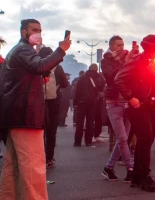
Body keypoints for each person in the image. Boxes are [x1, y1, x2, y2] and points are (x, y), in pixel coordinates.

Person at [0, 19, 72, 199]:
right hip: (26, 116)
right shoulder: (24, 50)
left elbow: (26, 76)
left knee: (14, 166)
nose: (38, 33)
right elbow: (40, 65)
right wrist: (61, 49)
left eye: (40, 30)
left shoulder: (17, 51)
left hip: (16, 115)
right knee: (32, 166)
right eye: (34, 30)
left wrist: (38, 79)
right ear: (23, 32)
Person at [115, 35, 155, 192]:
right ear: (149, 46)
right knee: (145, 138)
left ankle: (137, 175)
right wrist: (131, 97)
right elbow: (119, 79)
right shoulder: (137, 60)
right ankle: (144, 175)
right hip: (139, 106)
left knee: (147, 139)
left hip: (152, 106)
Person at [101, 36, 137, 183]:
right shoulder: (106, 60)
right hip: (114, 101)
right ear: (111, 46)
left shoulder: (126, 57)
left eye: (123, 44)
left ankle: (108, 167)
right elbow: (111, 76)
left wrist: (134, 59)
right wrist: (126, 61)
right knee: (122, 138)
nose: (121, 47)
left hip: (127, 101)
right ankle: (131, 169)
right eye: (118, 45)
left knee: (123, 138)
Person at [38, 46, 69, 169]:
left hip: (38, 103)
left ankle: (38, 158)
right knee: (51, 132)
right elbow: (65, 84)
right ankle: (49, 159)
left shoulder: (37, 65)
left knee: (38, 132)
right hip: (54, 103)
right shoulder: (58, 67)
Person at [73, 64, 102, 146]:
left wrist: (75, 102)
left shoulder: (82, 78)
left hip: (81, 102)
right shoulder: (98, 78)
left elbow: (77, 91)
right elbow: (101, 87)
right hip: (92, 102)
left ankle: (77, 141)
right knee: (90, 122)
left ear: (89, 69)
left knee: (80, 123)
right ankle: (88, 141)